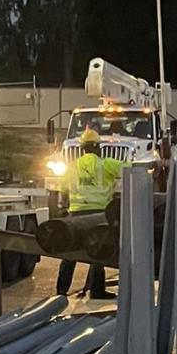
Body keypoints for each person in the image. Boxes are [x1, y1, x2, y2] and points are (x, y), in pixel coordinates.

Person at [56, 128, 125, 299]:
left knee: (69, 253)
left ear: (83, 147)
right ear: (96, 147)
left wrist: (63, 206)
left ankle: (60, 292)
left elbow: (62, 189)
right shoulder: (105, 164)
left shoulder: (72, 167)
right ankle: (97, 290)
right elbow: (129, 169)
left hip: (76, 213)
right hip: (98, 214)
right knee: (97, 251)